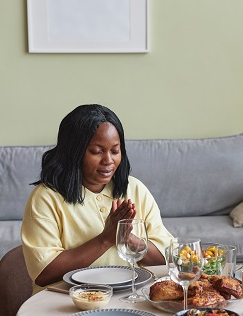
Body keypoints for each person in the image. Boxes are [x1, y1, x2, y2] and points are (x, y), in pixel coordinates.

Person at [22, 104, 173, 294]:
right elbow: (43, 272)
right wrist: (105, 239)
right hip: (66, 303)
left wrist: (129, 240)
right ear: (74, 152)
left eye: (115, 151)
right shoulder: (45, 198)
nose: (108, 160)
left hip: (132, 298)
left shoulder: (134, 189)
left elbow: (167, 260)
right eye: (96, 151)